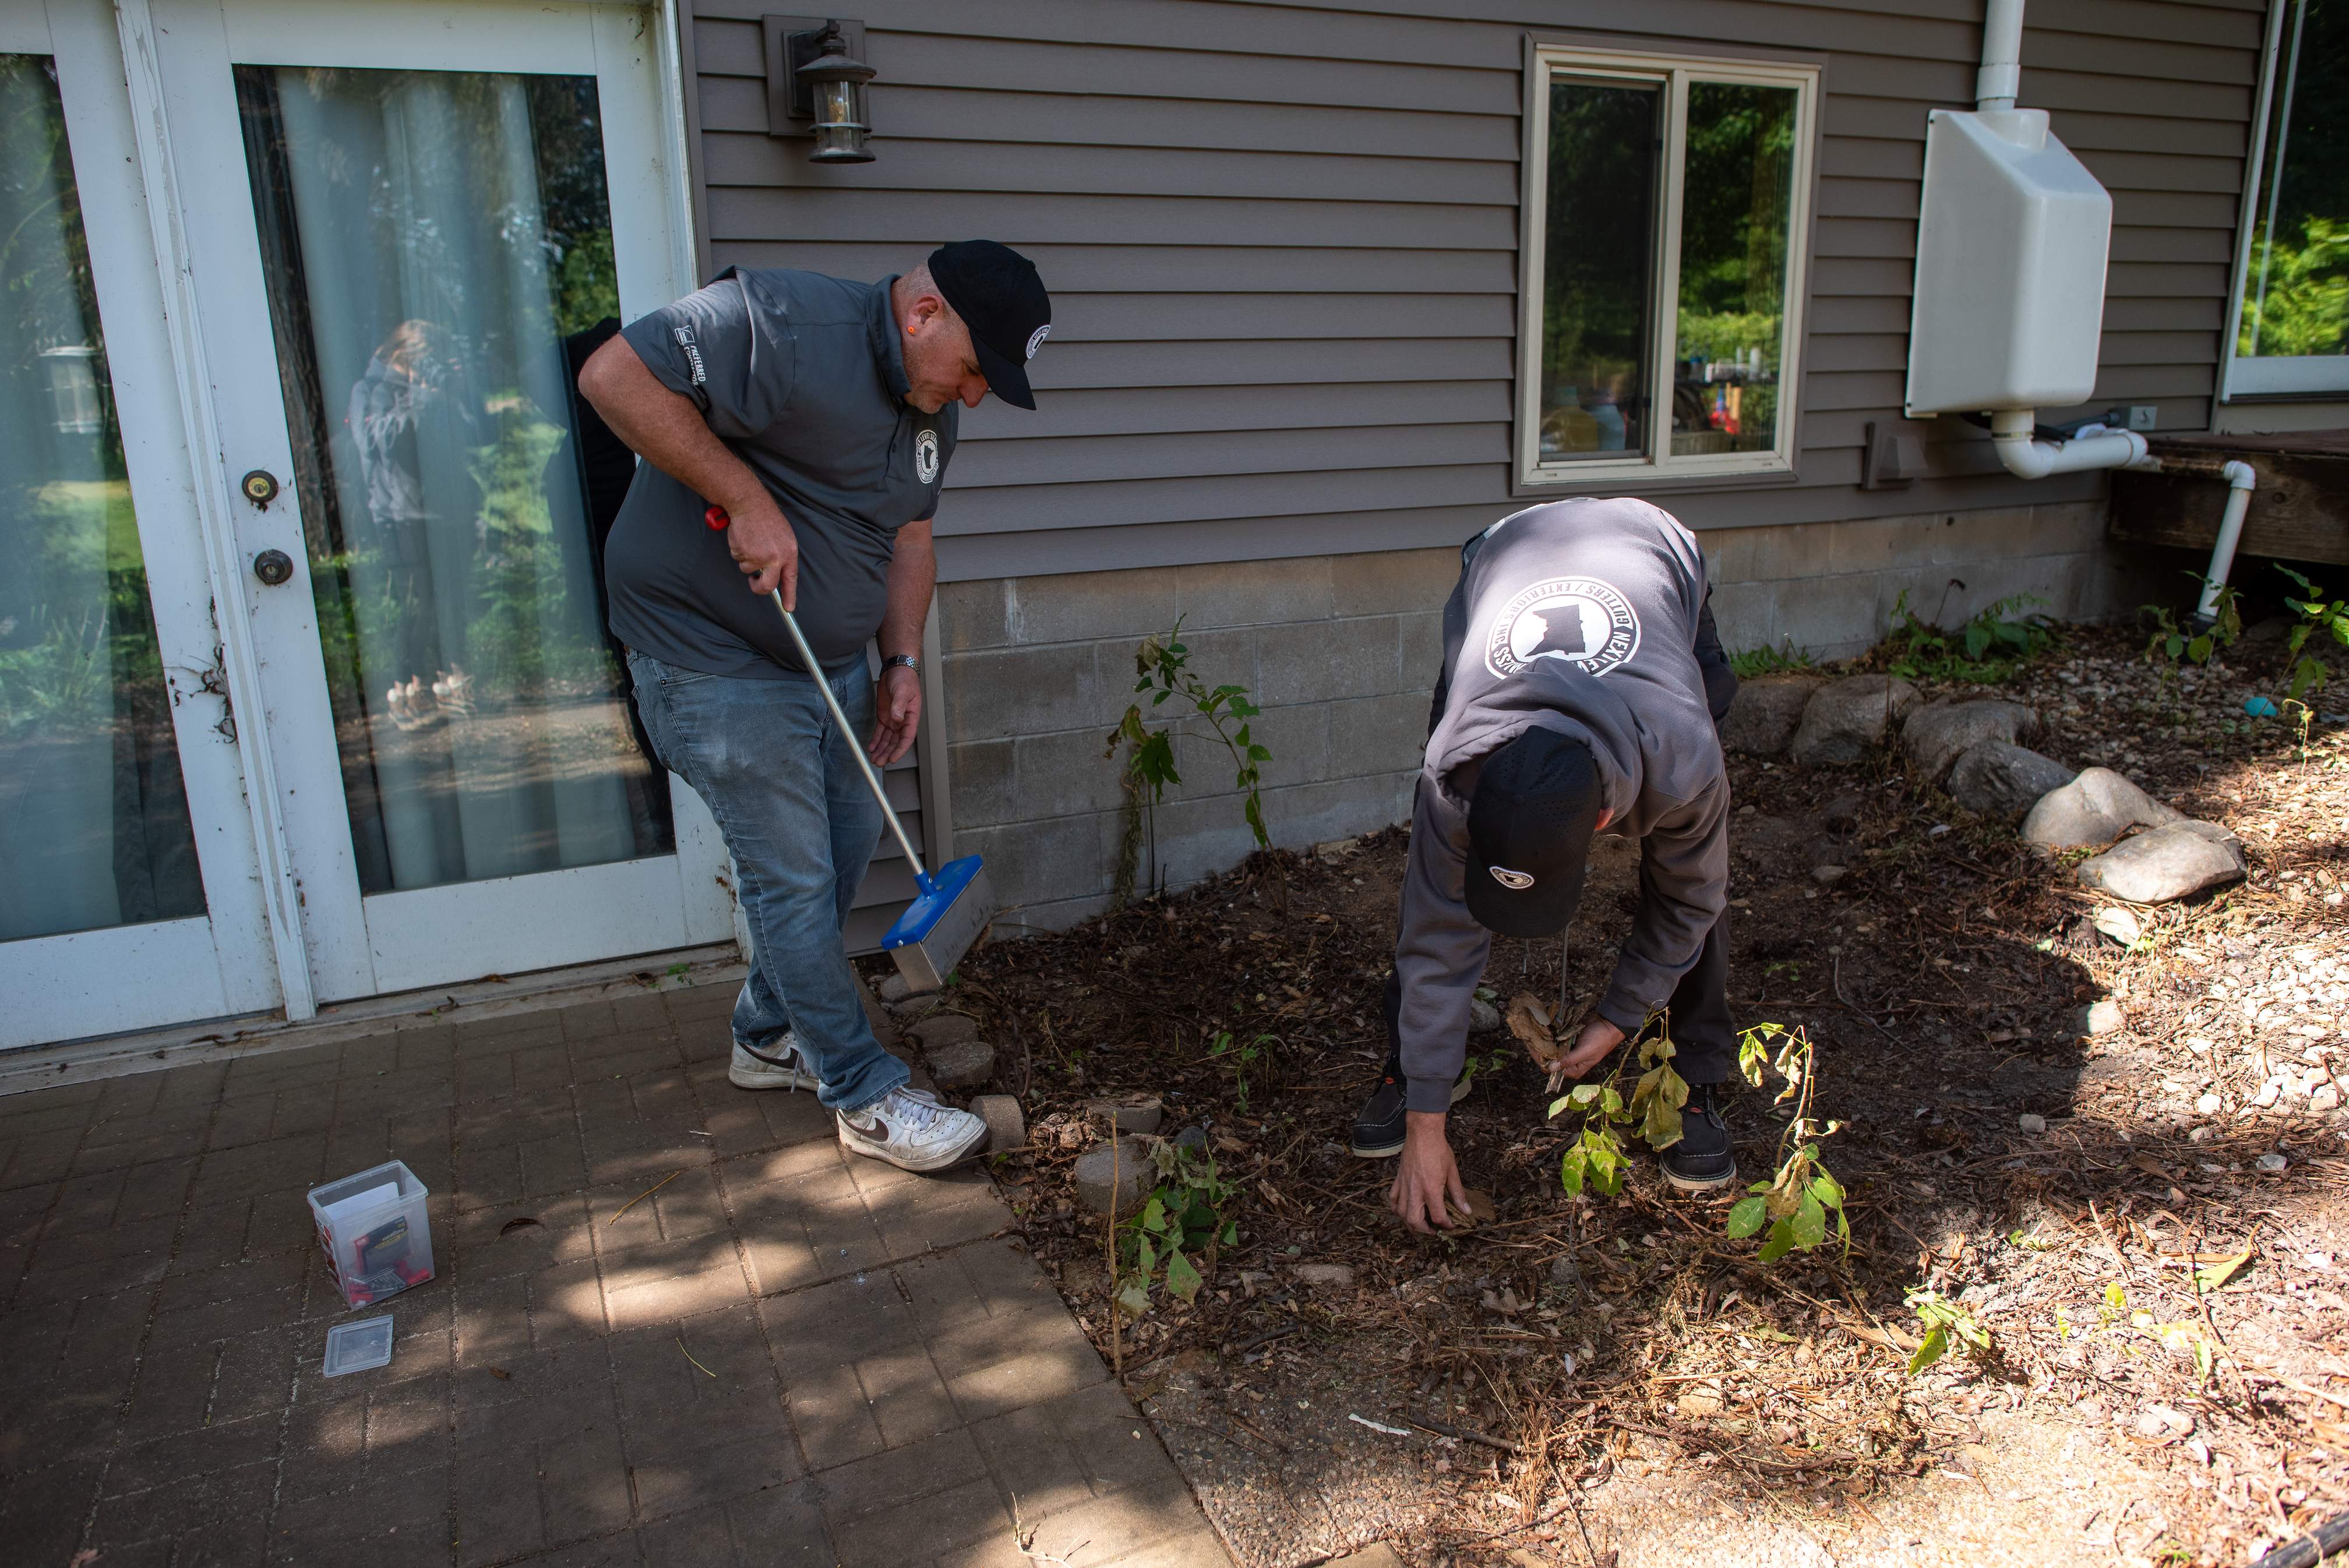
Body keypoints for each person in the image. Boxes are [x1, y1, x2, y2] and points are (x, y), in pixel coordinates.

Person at [577, 241, 1052, 1174]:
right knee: (791, 879)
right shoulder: (784, 324)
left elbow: (911, 536)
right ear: (923, 316)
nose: (973, 396)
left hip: (826, 655)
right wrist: (744, 496)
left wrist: (901, 656)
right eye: (971, 368)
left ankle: (765, 1037)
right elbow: (611, 376)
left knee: (840, 850)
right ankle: (863, 1094)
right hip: (708, 655)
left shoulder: (928, 409)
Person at [1348, 497, 1741, 1231]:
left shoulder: (1683, 759)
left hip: (1650, 553)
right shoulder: (1456, 767)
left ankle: (1694, 1075)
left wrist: (1621, 1016)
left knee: (1696, 874)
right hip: (1505, 557)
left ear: (1604, 823)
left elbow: (1692, 897)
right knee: (1430, 885)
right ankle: (1413, 1072)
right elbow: (1437, 930)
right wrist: (1426, 1130)